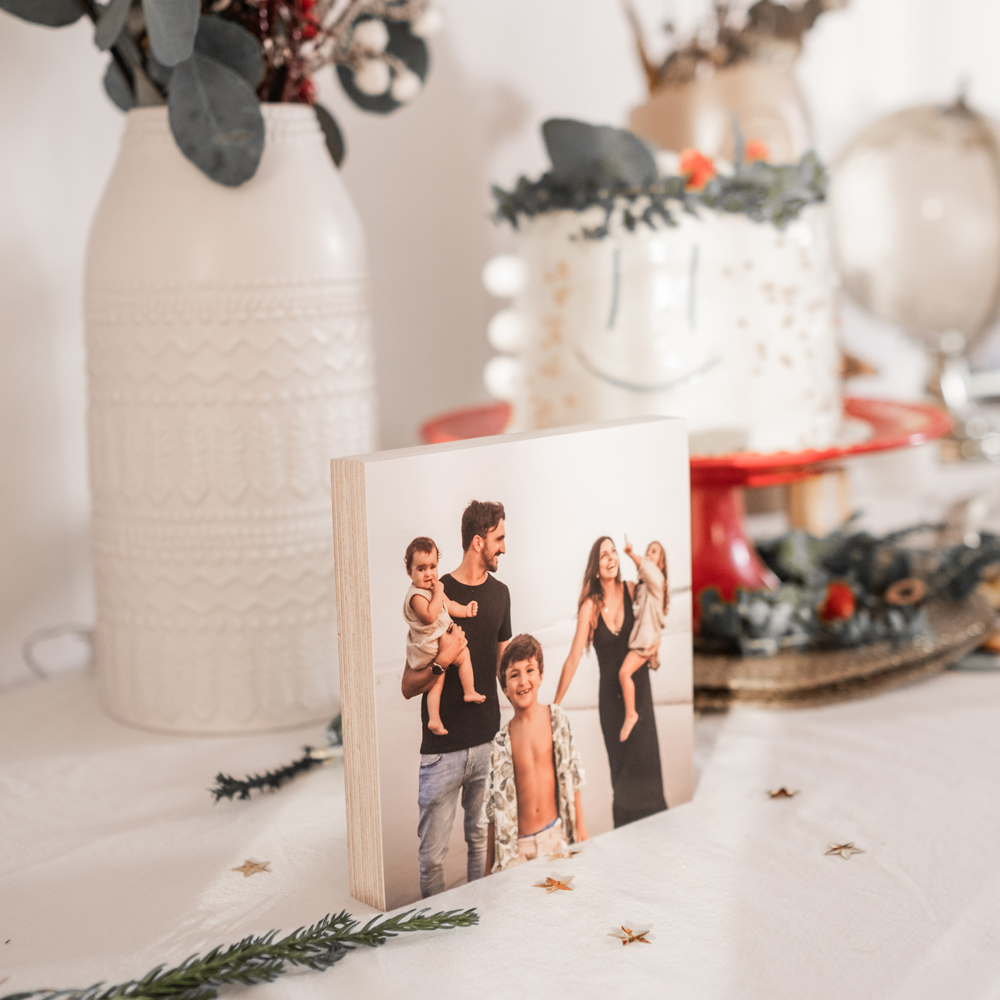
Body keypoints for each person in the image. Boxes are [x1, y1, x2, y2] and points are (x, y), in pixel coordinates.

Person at [401, 500, 511, 898]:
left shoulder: (501, 595)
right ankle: (432, 928)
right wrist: (442, 662)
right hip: (441, 753)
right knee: (432, 859)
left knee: (480, 842)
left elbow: (503, 670)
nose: (504, 548)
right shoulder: (433, 590)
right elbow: (407, 686)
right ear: (479, 542)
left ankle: (479, 918)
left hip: (487, 746)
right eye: (499, 539)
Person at [553, 536, 667, 827]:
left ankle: (660, 841)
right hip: (612, 706)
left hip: (640, 698)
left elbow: (657, 598)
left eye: (613, 552)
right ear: (595, 567)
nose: (611, 558)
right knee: (623, 782)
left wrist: (656, 641)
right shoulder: (590, 607)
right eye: (604, 555)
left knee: (650, 775)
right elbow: (573, 659)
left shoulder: (632, 589)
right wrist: (555, 705)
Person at [483, 633, 587, 873]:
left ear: (540, 676)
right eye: (514, 675)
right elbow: (492, 808)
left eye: (529, 670)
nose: (523, 681)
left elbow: (574, 775)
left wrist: (581, 828)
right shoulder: (501, 741)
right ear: (505, 688)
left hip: (555, 836)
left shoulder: (556, 719)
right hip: (519, 848)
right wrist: (489, 867)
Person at [402, 535, 485, 736]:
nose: (429, 574)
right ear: (409, 572)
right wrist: (439, 592)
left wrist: (465, 610)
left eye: (432, 567)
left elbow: (449, 605)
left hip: (438, 644)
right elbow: (430, 616)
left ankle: (436, 718)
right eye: (421, 569)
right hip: (429, 645)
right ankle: (468, 691)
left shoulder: (433, 589)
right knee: (459, 659)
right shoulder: (416, 596)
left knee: (439, 678)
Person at [617, 537, 669, 742]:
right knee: (630, 677)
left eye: (654, 551)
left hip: (645, 642)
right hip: (645, 639)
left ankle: (631, 714)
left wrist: (631, 554)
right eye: (648, 550)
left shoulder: (657, 580)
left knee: (624, 673)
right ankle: (632, 712)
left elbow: (645, 568)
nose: (649, 553)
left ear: (661, 563)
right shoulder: (645, 586)